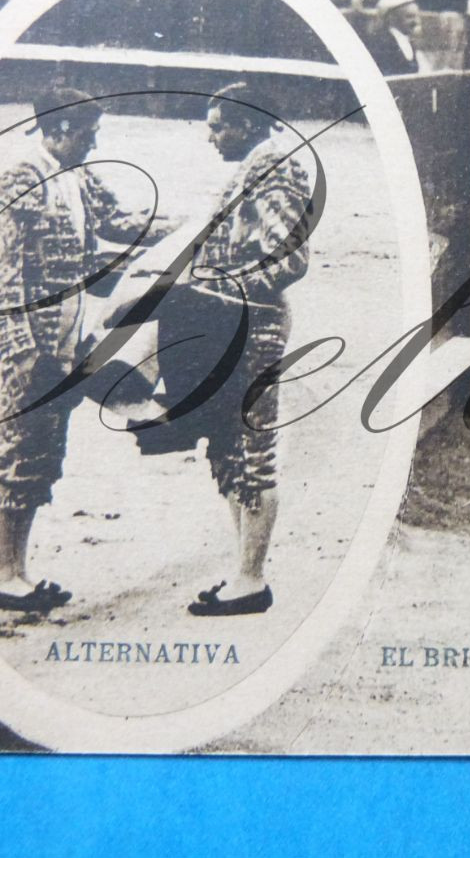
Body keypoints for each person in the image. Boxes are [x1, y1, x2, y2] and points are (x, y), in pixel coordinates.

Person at [0, 87, 161, 613]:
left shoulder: (76, 175)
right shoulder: (19, 181)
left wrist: (185, 229)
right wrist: (18, 348)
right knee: (17, 448)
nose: (92, 142)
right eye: (86, 132)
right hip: (34, 341)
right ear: (58, 130)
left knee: (42, 449)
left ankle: (17, 573)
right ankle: (2, 574)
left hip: (68, 334)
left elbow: (121, 223)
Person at [174, 82, 316, 616]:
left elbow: (292, 258)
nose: (210, 137)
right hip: (231, 321)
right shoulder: (260, 163)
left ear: (248, 124)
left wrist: (228, 287)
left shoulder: (274, 166)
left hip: (251, 324)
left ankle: (251, 579)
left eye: (218, 126)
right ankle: (242, 574)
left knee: (252, 448)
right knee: (231, 447)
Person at [361, 0, 430, 76]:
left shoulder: (408, 41)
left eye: (417, 16)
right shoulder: (382, 44)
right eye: (409, 17)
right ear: (392, 18)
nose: (416, 21)